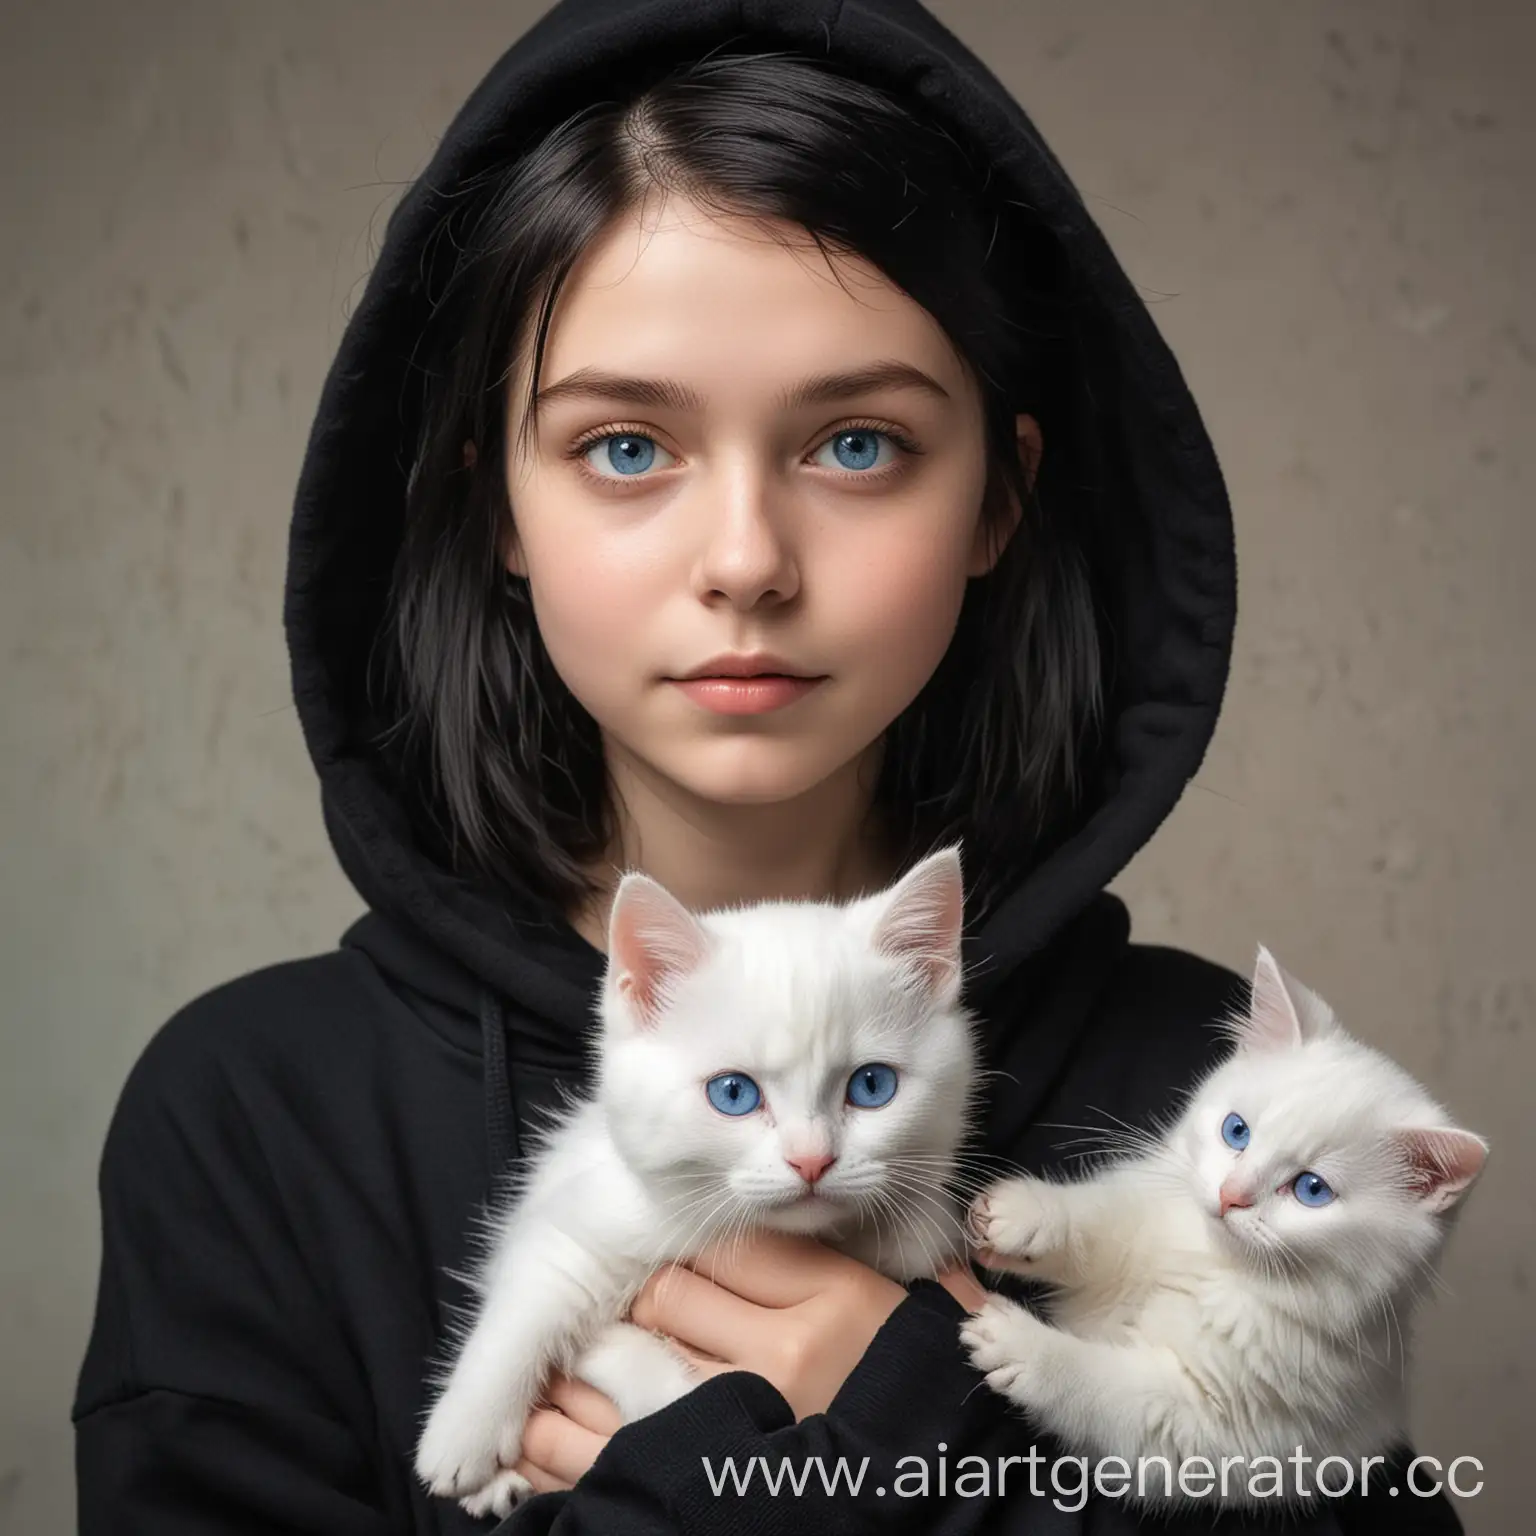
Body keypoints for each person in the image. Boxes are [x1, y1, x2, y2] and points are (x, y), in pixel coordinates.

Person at [72, 1, 1463, 1532]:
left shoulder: (1223, 1105)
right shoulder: (256, 1119)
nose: (745, 562)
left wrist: (939, 1465)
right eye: (623, 446)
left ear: (1000, 499)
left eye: (857, 443)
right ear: (497, 513)